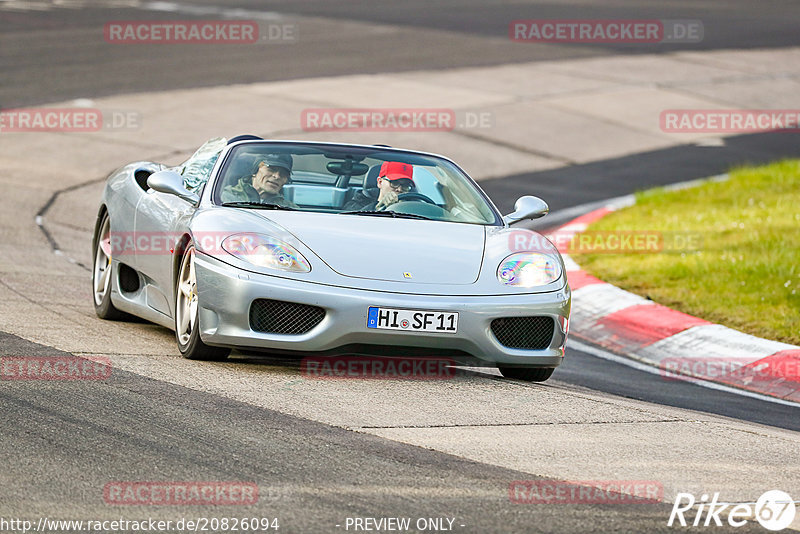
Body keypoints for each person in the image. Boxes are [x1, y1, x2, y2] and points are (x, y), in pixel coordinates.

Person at [221, 154, 298, 208]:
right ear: (255, 171)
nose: (277, 176)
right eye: (271, 169)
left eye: (283, 174)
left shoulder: (289, 208)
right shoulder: (226, 197)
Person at [343, 161, 414, 211]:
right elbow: (349, 220)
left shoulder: (412, 206)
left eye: (405, 185)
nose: (399, 189)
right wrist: (377, 207)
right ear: (380, 182)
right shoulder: (359, 202)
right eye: (394, 183)